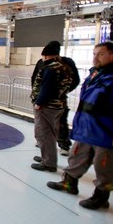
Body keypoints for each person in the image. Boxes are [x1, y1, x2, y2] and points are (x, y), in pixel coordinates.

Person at [47, 42, 113, 210]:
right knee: (76, 157)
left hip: (106, 132)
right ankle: (69, 184)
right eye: (94, 54)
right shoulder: (96, 74)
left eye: (100, 54)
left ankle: (101, 197)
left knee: (105, 166)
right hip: (86, 129)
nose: (95, 58)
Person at [30, 41, 74, 172]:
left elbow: (46, 87)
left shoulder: (50, 69)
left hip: (47, 106)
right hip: (58, 105)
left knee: (44, 133)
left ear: (47, 56)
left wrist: (39, 103)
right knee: (51, 132)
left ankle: (48, 163)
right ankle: (47, 157)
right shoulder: (64, 67)